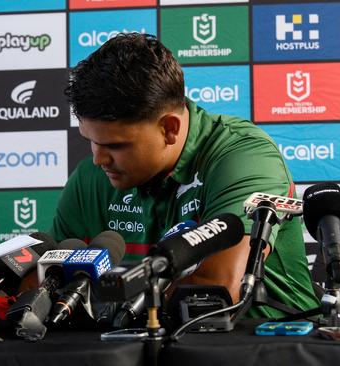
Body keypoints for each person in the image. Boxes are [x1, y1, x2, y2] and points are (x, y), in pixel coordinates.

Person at [50, 33, 318, 317]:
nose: (98, 158)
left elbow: (213, 291)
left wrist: (109, 302)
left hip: (266, 348)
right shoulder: (91, 176)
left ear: (169, 129)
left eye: (115, 145)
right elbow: (48, 286)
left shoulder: (244, 155)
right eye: (91, 140)